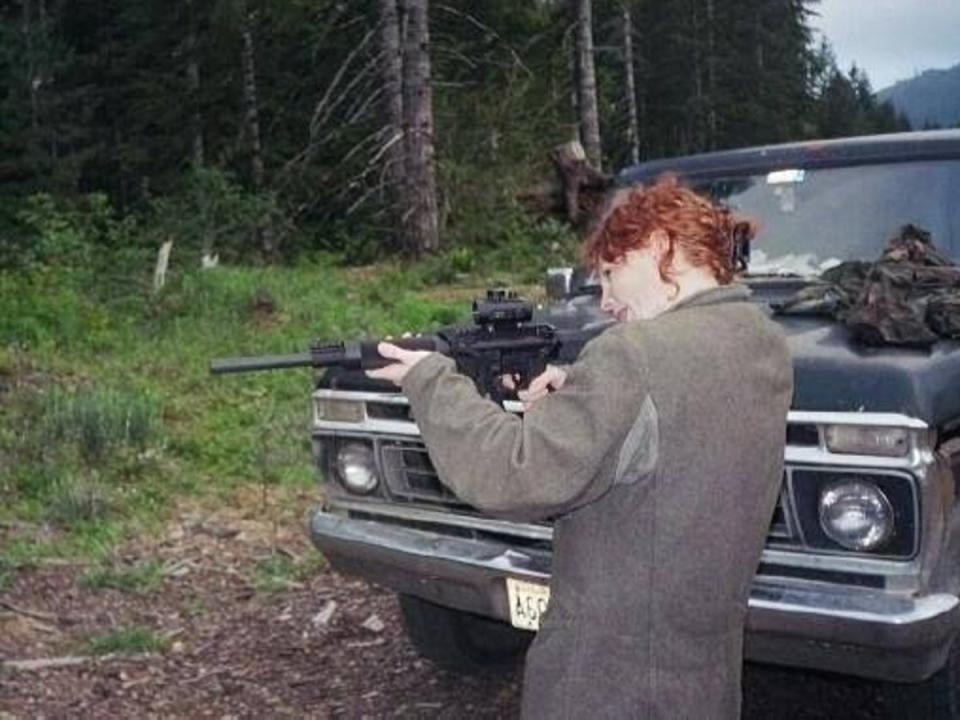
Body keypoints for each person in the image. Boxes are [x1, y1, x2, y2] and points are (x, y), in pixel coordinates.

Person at [368, 175, 794, 719]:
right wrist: (580, 388)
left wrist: (430, 381)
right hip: (702, 678)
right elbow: (685, 423)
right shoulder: (760, 341)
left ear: (661, 246)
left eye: (612, 274)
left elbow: (516, 474)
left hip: (611, 684)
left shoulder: (634, 353)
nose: (607, 300)